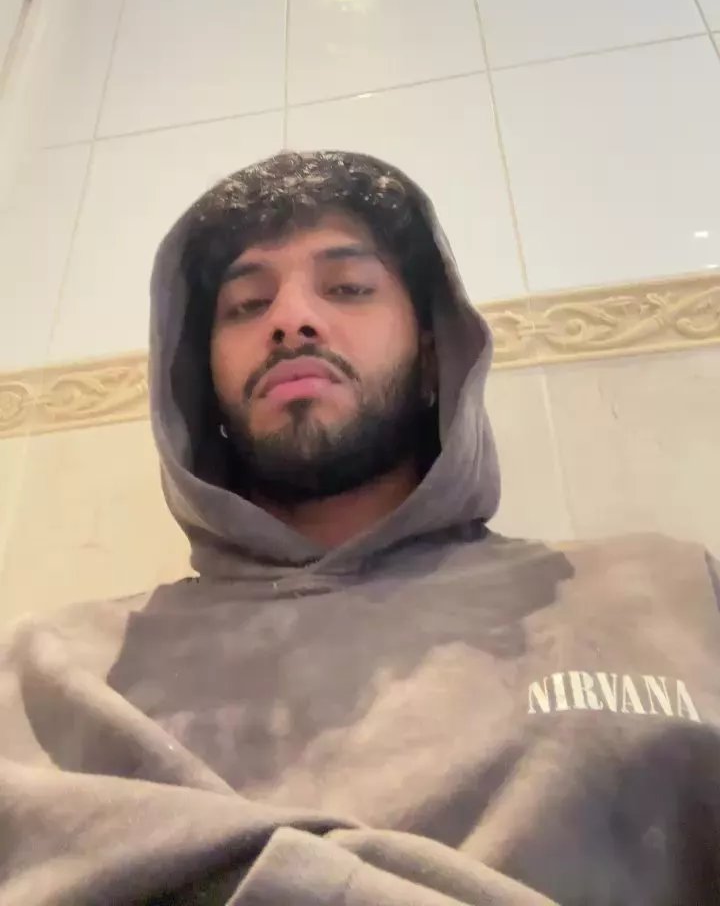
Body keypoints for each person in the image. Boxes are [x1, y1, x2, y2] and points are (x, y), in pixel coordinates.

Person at [0, 149, 718, 906]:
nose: (290, 319)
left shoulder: (665, 598)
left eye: (347, 287)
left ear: (435, 355)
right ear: (199, 383)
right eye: (247, 304)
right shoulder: (51, 674)